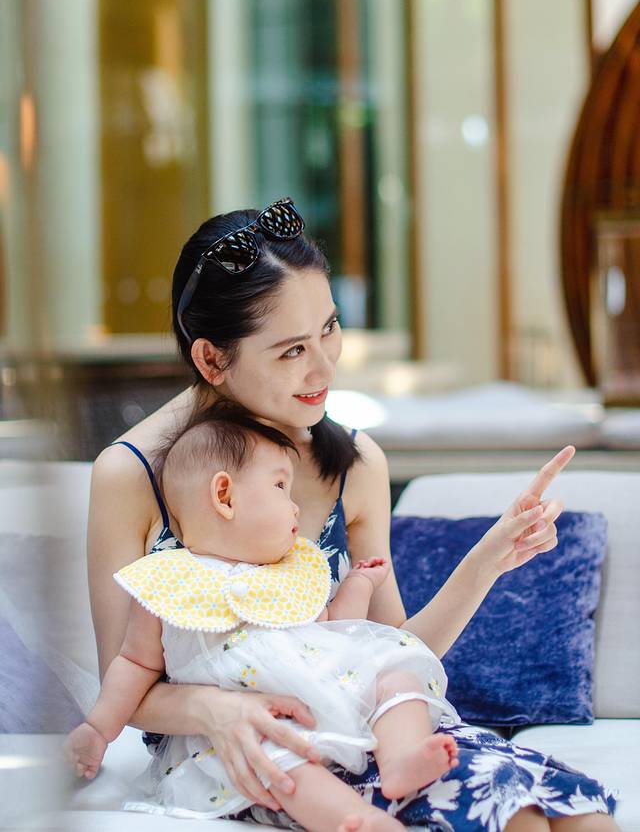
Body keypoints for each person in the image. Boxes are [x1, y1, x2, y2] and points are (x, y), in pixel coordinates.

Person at [88, 197, 618, 830]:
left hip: (368, 732)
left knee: (581, 818)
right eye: (291, 350)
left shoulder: (357, 462)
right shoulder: (132, 475)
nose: (324, 366)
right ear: (211, 359)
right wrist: (218, 710)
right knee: (519, 823)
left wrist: (487, 561)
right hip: (265, 758)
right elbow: (126, 684)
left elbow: (390, 650)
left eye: (329, 328)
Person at [67, 405, 461, 830]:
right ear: (225, 496)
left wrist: (359, 585)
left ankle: (401, 759)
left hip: (331, 691)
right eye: (280, 487)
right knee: (278, 767)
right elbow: (134, 663)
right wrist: (98, 729)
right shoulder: (167, 582)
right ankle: (356, 819)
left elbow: (335, 628)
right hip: (253, 727)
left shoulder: (288, 571)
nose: (295, 507)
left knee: (396, 678)